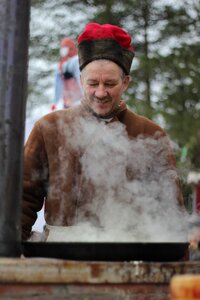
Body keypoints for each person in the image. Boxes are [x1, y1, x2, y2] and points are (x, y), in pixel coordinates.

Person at [22, 23, 184, 241]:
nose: (100, 92)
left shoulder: (151, 134)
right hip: (58, 263)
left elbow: (170, 212)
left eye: (109, 83)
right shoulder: (48, 129)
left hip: (130, 263)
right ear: (81, 81)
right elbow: (21, 202)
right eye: (92, 83)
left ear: (125, 83)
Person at [51, 37, 82, 110]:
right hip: (67, 102)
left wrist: (87, 97)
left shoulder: (76, 61)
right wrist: (55, 102)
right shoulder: (60, 65)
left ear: (71, 48)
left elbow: (81, 79)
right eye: (62, 48)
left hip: (79, 101)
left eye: (65, 47)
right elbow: (58, 85)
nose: (62, 50)